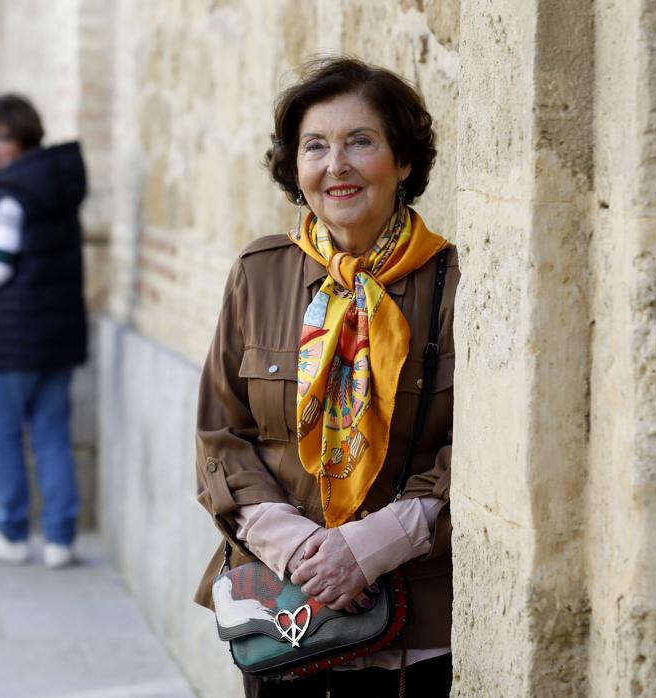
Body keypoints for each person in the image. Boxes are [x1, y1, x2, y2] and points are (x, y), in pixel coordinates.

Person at [194, 57, 458, 697]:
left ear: (402, 162)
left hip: (413, 623)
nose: (335, 165)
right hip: (287, 615)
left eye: (360, 142)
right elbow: (220, 435)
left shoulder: (453, 281)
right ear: (296, 168)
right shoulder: (260, 273)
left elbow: (479, 452)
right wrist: (301, 553)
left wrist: (370, 547)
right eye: (316, 146)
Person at [0, 94, 88, 570]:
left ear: (24, 138)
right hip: (57, 333)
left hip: (14, 337)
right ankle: (59, 540)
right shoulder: (53, 183)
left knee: (4, 435)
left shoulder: (13, 192)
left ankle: (10, 531)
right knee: (51, 433)